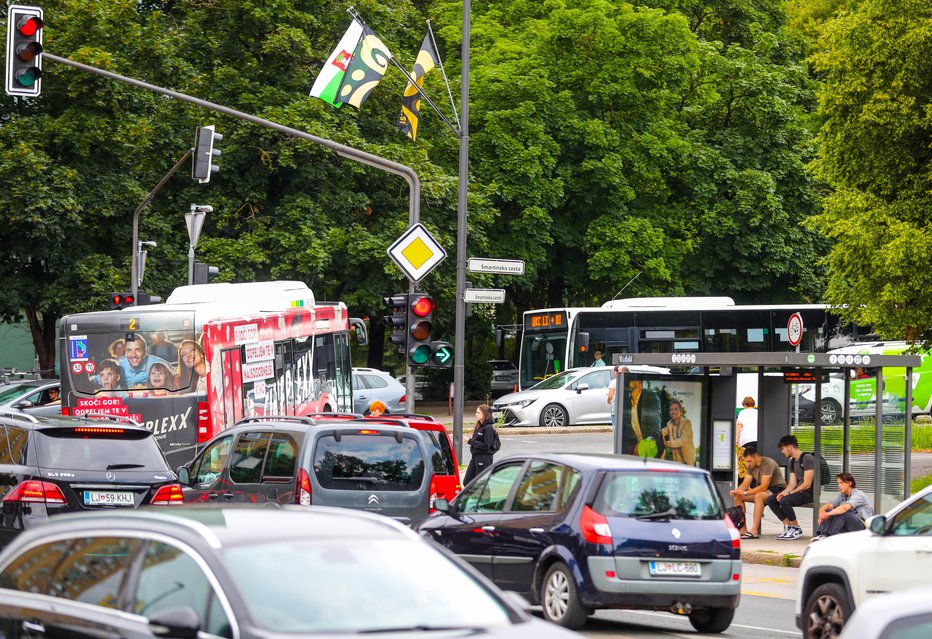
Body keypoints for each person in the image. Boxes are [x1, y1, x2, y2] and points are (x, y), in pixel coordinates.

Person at [730, 446, 787, 539]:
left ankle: (754, 531)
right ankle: (743, 529)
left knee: (759, 496)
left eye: (749, 461)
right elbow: (745, 484)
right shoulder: (751, 466)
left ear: (756, 457)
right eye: (746, 461)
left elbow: (764, 486)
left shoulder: (768, 463)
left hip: (778, 489)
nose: (747, 464)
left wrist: (745, 493)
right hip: (765, 490)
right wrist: (737, 491)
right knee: (737, 497)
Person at [766, 435, 815, 540]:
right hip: (799, 492)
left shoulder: (807, 458)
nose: (782, 452)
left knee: (785, 500)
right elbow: (792, 484)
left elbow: (807, 484)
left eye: (782, 449)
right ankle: (789, 526)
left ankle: (796, 528)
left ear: (789, 447)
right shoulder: (792, 462)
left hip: (809, 492)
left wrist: (789, 494)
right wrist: (783, 492)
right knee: (771, 499)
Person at [812, 472, 873, 541]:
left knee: (843, 513)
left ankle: (829, 536)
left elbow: (844, 508)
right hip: (849, 526)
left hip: (862, 527)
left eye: (841, 483)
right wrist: (821, 512)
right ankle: (822, 535)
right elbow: (829, 504)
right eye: (838, 483)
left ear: (849, 483)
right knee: (829, 510)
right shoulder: (842, 495)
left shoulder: (859, 495)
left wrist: (826, 515)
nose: (839, 485)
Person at [623, 377, 663, 458]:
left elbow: (654, 432)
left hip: (651, 449)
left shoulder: (650, 397)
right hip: (636, 451)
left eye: (632, 380)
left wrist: (641, 446)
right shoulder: (627, 402)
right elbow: (627, 432)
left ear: (639, 383)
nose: (628, 382)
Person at [463, 404, 497, 485]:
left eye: (478, 413)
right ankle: (474, 497)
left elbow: (486, 446)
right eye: (476, 412)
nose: (476, 414)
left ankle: (484, 497)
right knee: (467, 482)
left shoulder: (488, 428)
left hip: (484, 458)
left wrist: (470, 441)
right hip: (475, 457)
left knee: (482, 483)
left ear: (484, 414)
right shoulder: (480, 426)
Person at [662, 399, 695, 466]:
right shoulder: (669, 423)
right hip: (676, 462)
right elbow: (664, 431)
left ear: (681, 412)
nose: (673, 412)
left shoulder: (686, 423)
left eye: (676, 409)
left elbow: (682, 440)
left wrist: (668, 443)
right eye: (671, 409)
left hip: (687, 461)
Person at [735, 396, 758, 479]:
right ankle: (753, 485)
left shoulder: (743, 412)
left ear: (744, 404)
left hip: (746, 441)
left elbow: (739, 425)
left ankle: (743, 485)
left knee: (745, 464)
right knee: (755, 463)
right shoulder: (758, 412)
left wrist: (736, 438)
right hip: (758, 441)